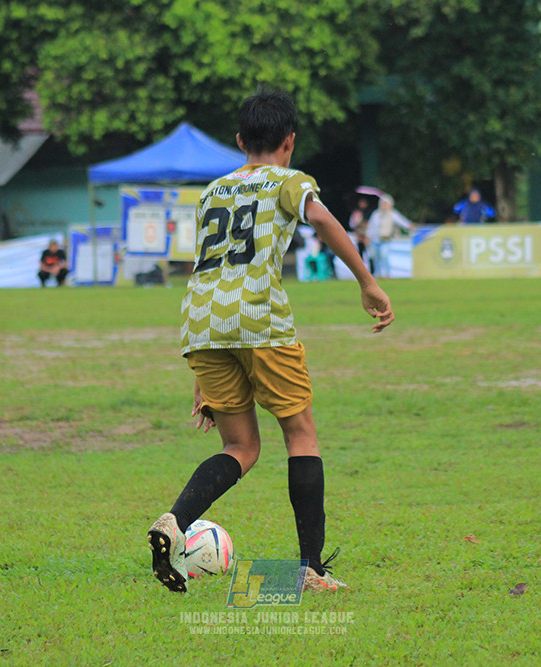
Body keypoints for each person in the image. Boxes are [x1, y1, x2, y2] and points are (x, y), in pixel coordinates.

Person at [146, 88, 395, 595]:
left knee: (240, 446)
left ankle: (175, 520)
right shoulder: (290, 180)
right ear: (290, 141)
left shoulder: (212, 191)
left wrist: (201, 373)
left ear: (240, 141)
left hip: (202, 324)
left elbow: (207, 268)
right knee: (300, 435)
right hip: (260, 320)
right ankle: (310, 569)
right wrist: (367, 282)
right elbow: (322, 218)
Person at [366, 195, 412, 278]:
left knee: (384, 256)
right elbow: (370, 227)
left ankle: (387, 274)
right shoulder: (376, 214)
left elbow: (402, 222)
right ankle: (378, 274)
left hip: (385, 239)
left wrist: (410, 226)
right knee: (376, 258)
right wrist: (368, 237)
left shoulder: (392, 214)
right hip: (374, 240)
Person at [348, 197, 371, 270]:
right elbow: (352, 224)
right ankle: (362, 270)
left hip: (368, 236)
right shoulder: (356, 213)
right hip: (359, 236)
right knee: (360, 254)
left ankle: (371, 271)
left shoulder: (370, 213)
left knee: (370, 255)